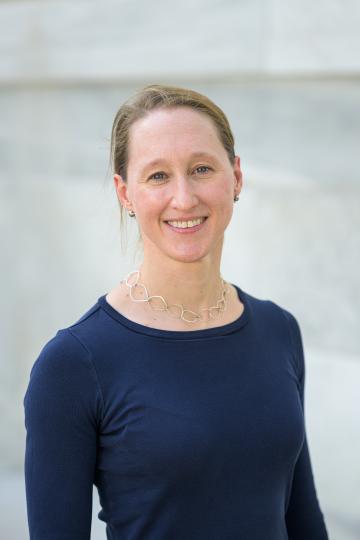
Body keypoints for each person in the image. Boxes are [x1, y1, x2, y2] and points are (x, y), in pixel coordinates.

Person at [23, 84, 329, 540]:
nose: (183, 198)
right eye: (158, 176)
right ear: (125, 194)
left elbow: (301, 515)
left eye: (201, 168)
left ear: (236, 176)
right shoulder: (75, 362)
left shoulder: (278, 329)